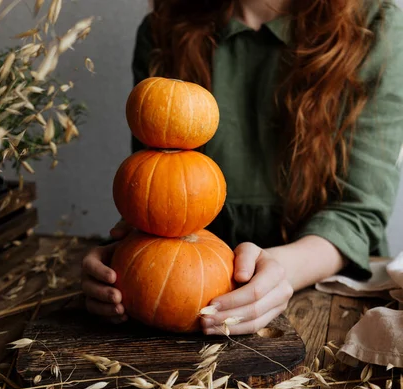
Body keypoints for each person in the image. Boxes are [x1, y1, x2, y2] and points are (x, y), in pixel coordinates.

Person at [81, 0, 403, 335]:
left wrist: (278, 270)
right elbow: (155, 186)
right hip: (188, 305)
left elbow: (358, 212)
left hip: (329, 298)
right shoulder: (164, 28)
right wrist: (124, 261)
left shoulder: (373, 27)